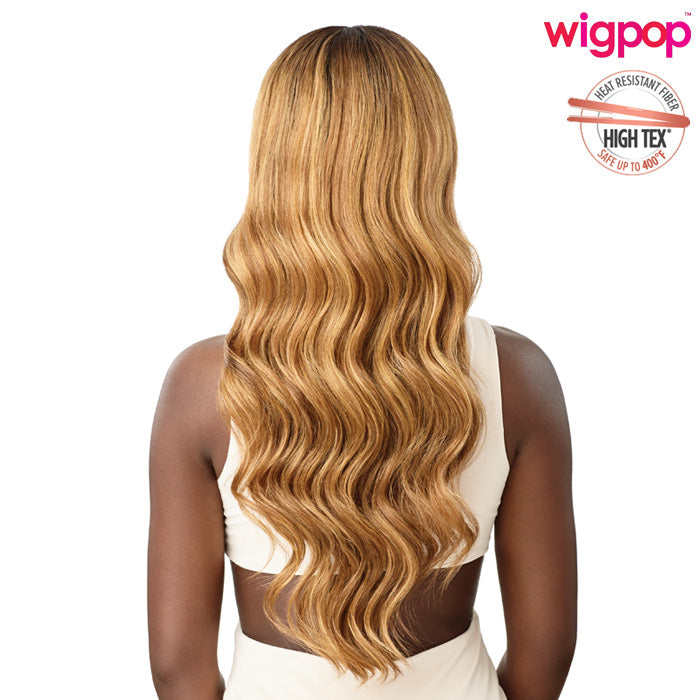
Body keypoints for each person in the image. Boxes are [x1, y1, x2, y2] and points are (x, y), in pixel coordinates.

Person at [147, 25, 577, 700]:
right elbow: (546, 652)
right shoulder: (517, 377)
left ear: (275, 165)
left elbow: (178, 666)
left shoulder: (204, 387)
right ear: (432, 161)